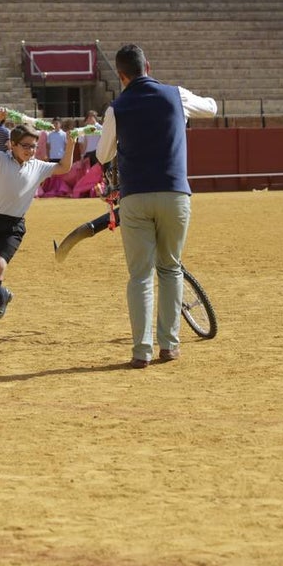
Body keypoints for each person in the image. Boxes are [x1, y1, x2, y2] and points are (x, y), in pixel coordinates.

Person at [96, 43, 218, 369]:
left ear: (121, 75)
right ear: (148, 66)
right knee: (170, 268)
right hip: (175, 194)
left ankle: (141, 350)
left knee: (140, 276)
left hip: (135, 197)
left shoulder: (116, 108)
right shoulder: (176, 96)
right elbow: (212, 108)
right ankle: (170, 345)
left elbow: (102, 155)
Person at [0, 108, 76, 328]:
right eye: (26, 146)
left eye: (34, 146)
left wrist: (71, 144)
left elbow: (65, 167)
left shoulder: (38, 166)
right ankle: (3, 295)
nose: (31, 150)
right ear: (13, 145)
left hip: (14, 225)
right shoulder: (0, 159)